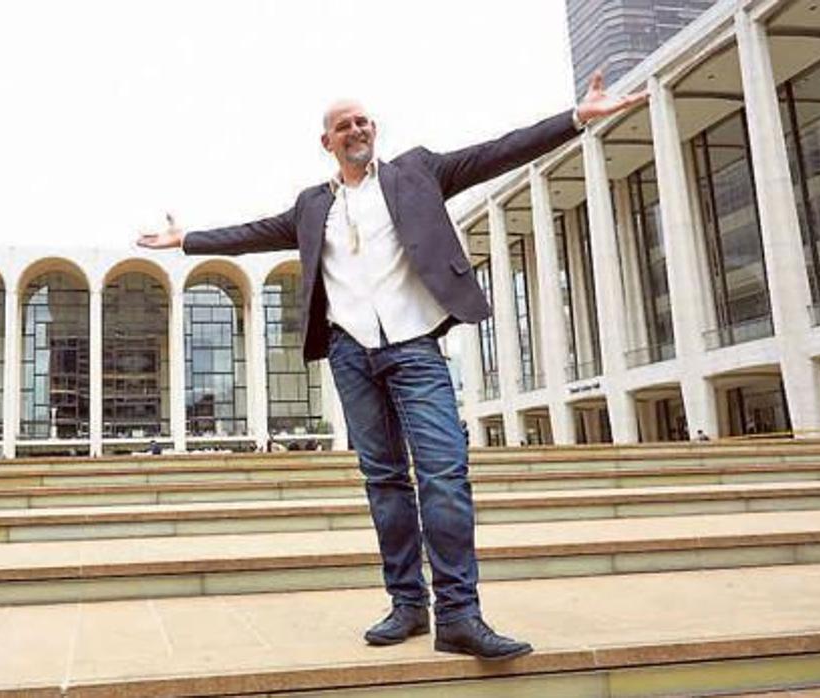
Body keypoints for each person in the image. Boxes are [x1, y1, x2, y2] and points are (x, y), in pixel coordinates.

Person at [137, 72, 645, 661]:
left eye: (363, 121)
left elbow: (498, 151)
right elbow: (254, 232)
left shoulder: (418, 172)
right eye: (343, 125)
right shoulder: (312, 205)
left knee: (444, 473)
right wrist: (187, 240)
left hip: (413, 345)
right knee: (384, 482)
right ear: (325, 141)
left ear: (373, 130)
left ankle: (459, 614)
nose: (356, 129)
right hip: (351, 352)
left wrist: (577, 117)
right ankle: (407, 604)